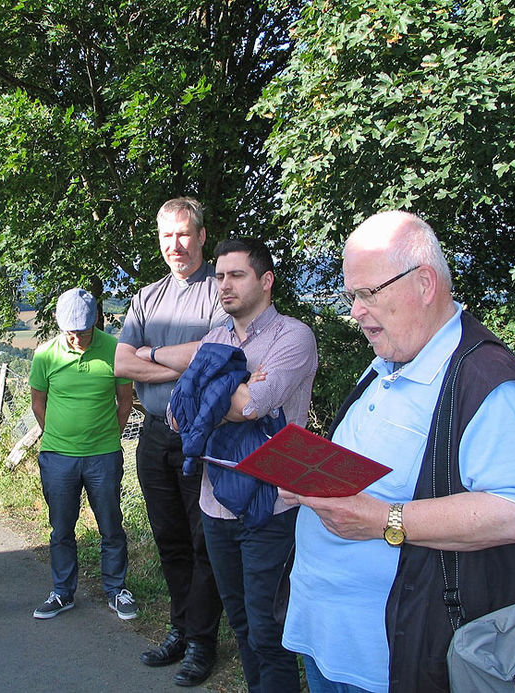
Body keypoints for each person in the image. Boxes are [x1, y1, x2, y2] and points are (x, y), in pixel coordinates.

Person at [281, 211, 515, 693]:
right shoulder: (386, 361)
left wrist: (385, 520)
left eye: (368, 294)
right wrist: (308, 480)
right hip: (328, 635)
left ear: (425, 283)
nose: (355, 312)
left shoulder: (487, 382)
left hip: (398, 659)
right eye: (350, 296)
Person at [171, 238, 316, 692]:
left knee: (268, 633)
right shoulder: (215, 338)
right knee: (240, 625)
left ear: (266, 280)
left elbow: (254, 405)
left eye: (236, 275)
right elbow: (178, 415)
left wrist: (210, 387)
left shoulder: (292, 337)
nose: (224, 285)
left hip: (273, 504)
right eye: (219, 276)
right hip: (215, 504)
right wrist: (225, 386)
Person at [115, 197, 228, 687]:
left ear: (202, 236)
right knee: (170, 539)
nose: (175, 245)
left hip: (204, 435)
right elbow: (121, 363)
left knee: (205, 540)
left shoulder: (220, 293)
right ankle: (181, 629)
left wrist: (154, 356)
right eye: (166, 236)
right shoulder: (146, 297)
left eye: (183, 234)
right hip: (155, 433)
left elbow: (218, 357)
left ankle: (204, 642)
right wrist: (183, 363)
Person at [29, 288, 136, 620]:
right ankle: (63, 593)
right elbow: (38, 402)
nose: (76, 338)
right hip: (58, 457)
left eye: (83, 331)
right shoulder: (45, 354)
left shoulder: (115, 350)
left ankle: (116, 590)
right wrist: (59, 437)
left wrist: (107, 438)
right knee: (61, 528)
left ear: (95, 323)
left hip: (103, 456)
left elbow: (125, 401)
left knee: (110, 526)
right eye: (70, 331)